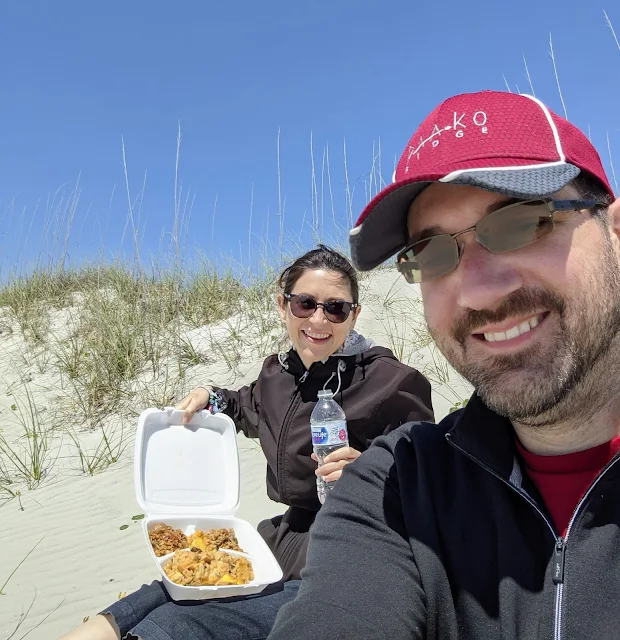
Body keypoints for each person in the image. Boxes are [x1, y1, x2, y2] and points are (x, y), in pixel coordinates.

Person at [267, 90, 620, 639]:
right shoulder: (400, 488)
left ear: (615, 232)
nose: (478, 291)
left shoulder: (390, 383)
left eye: (523, 222)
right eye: (430, 254)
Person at [61, 244, 433, 640]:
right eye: (305, 304)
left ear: (354, 315)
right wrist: (212, 396)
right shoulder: (279, 374)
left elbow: (425, 479)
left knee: (184, 623)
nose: (319, 319)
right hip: (283, 537)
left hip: (351, 547)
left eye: (336, 308)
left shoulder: (388, 382)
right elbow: (247, 405)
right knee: (159, 594)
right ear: (283, 305)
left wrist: (366, 473)